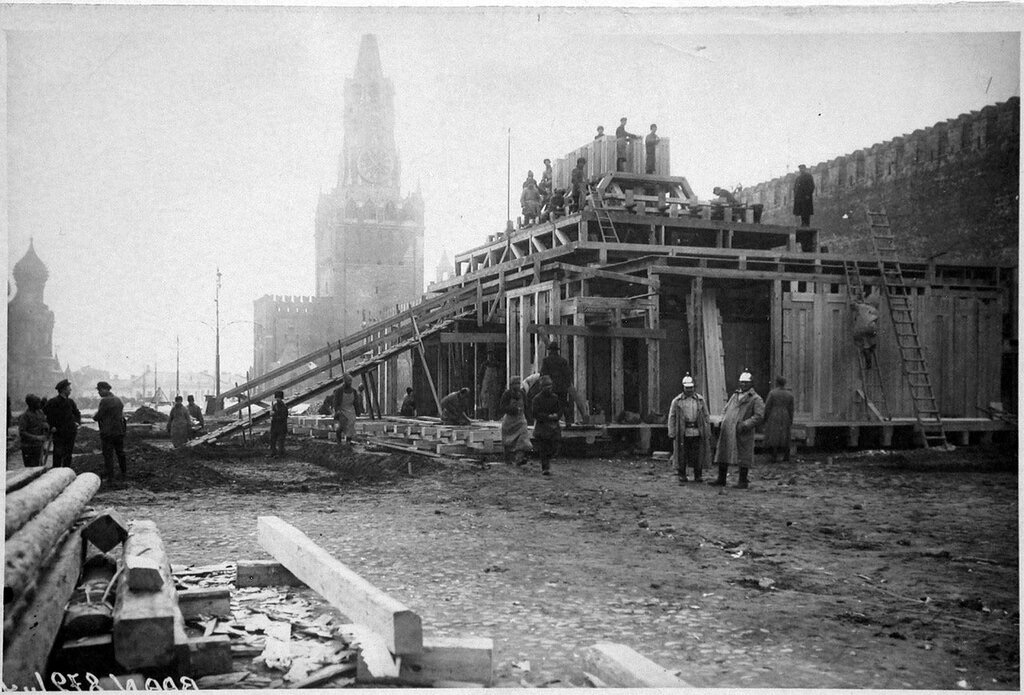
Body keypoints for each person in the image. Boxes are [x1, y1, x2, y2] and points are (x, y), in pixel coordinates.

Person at [711, 371, 765, 489]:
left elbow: (759, 416)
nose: (743, 384)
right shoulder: (735, 395)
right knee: (723, 453)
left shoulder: (756, 399)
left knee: (743, 455)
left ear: (751, 383)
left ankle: (743, 481)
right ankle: (721, 479)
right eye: (742, 382)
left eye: (746, 382)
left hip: (742, 431)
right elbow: (726, 409)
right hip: (728, 429)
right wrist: (722, 420)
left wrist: (745, 424)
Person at [666, 374, 712, 484]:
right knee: (682, 454)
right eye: (687, 388)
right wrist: (672, 432)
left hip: (697, 431)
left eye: (691, 388)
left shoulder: (700, 400)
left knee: (698, 455)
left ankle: (698, 475)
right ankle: (682, 474)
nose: (689, 390)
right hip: (683, 431)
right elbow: (672, 417)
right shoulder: (677, 401)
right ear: (683, 387)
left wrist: (707, 431)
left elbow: (706, 416)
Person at [43, 379, 81, 468]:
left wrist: (77, 422)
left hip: (70, 432)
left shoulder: (70, 402)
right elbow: (45, 414)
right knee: (58, 454)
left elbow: (77, 413)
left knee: (68, 454)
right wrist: (51, 426)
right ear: (63, 390)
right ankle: (56, 472)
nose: (70, 390)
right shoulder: (53, 402)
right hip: (59, 432)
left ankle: (66, 471)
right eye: (69, 388)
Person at [93, 381, 127, 478]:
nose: (99, 392)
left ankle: (110, 476)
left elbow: (98, 416)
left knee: (108, 454)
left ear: (105, 389)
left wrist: (94, 416)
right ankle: (124, 472)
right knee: (120, 452)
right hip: (119, 431)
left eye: (100, 390)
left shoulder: (104, 401)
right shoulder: (118, 400)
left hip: (107, 433)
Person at [530, 376, 561, 476]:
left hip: (554, 426)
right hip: (542, 426)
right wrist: (547, 416)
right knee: (544, 448)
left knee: (554, 447)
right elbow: (535, 414)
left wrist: (556, 416)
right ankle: (545, 467)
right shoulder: (537, 399)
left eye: (550, 385)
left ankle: (548, 460)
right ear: (541, 387)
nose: (549, 387)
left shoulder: (555, 398)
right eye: (546, 385)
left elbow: (559, 410)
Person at [498, 376, 531, 466]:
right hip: (509, 420)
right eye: (515, 384)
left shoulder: (522, 393)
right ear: (511, 385)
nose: (517, 385)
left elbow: (526, 406)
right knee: (508, 440)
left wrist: (529, 417)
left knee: (523, 437)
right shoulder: (507, 394)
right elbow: (502, 407)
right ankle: (507, 459)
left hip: (521, 420)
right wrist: (513, 409)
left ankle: (519, 457)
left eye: (518, 383)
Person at [763, 376, 795, 463]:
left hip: (774, 414)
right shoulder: (789, 394)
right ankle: (786, 455)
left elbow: (767, 406)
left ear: (776, 383)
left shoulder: (772, 393)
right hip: (785, 414)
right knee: (785, 434)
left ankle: (774, 455)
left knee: (774, 434)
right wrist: (791, 418)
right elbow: (791, 408)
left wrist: (765, 417)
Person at [540, 342, 573, 424]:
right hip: (562, 387)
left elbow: (543, 374)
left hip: (551, 387)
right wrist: (567, 385)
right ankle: (568, 422)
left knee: (549, 405)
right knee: (563, 405)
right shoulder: (563, 361)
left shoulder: (546, 361)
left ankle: (549, 421)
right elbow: (568, 374)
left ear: (550, 350)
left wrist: (544, 386)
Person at [17, 394, 49, 468]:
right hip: (28, 447)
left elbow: (44, 422)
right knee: (30, 468)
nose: (39, 404)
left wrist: (46, 425)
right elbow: (22, 432)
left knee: (39, 466)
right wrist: (37, 437)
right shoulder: (25, 416)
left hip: (39, 446)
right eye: (37, 403)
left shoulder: (40, 412)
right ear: (31, 404)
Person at [852, 295, 880, 368]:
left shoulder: (861, 306)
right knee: (871, 338)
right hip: (871, 329)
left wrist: (855, 301)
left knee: (863, 344)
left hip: (861, 330)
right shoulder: (875, 310)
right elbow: (876, 320)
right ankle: (872, 347)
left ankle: (868, 360)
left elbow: (853, 305)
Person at [332, 373, 360, 445]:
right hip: (342, 410)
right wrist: (337, 410)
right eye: (348, 381)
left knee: (350, 426)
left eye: (350, 381)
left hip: (351, 411)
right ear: (344, 381)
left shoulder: (354, 391)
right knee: (340, 426)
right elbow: (335, 402)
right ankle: (339, 441)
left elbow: (356, 402)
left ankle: (348, 441)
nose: (350, 383)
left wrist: (358, 411)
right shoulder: (339, 391)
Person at [269, 390, 288, 457]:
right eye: (277, 398)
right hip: (274, 426)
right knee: (272, 440)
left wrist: (274, 414)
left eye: (279, 398)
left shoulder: (284, 407)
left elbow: (283, 417)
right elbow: (273, 415)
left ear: (281, 398)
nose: (277, 399)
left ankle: (280, 454)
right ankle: (273, 452)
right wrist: (271, 414)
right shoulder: (274, 406)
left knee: (280, 441)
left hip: (281, 426)